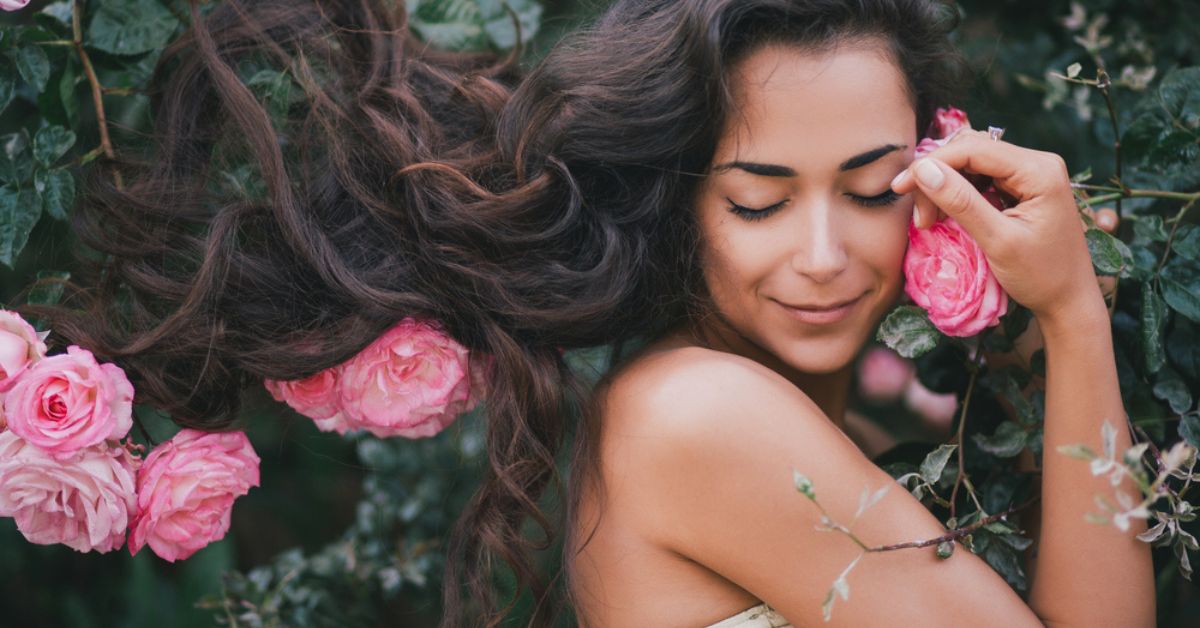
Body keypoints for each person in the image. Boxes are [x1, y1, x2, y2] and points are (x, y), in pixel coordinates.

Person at [23, 0, 1152, 626]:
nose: (825, 256)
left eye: (871, 192)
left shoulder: (729, 406)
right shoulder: (699, 416)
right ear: (678, 204)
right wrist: (1073, 316)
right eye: (758, 202)